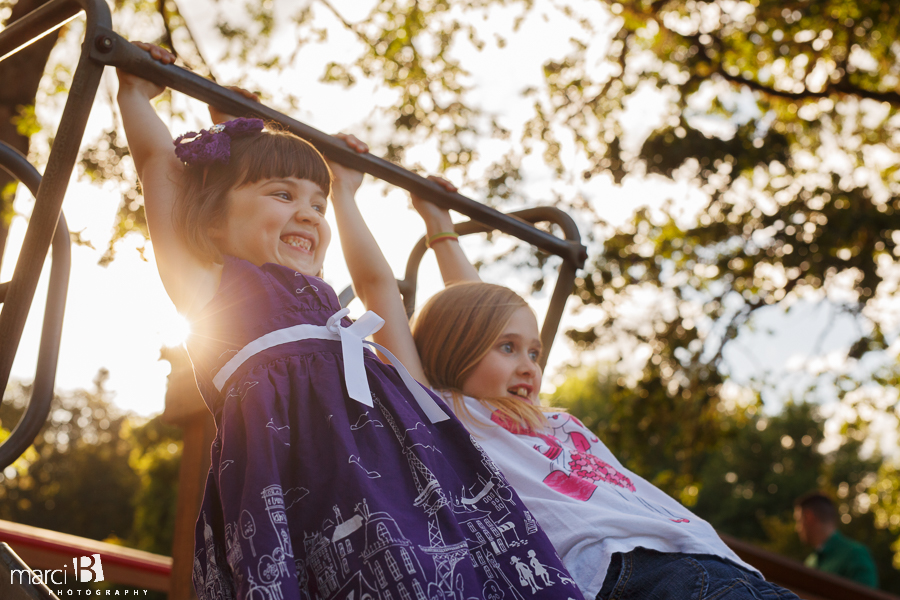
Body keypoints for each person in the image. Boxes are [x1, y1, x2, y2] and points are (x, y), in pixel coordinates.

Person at [116, 43, 583, 600]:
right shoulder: (215, 293)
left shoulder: (335, 315)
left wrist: (344, 188)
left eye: (318, 203)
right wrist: (133, 93)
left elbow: (379, 288)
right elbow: (160, 169)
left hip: (406, 482)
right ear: (213, 221)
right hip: (312, 486)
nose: (309, 212)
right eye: (283, 194)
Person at [404, 179, 803, 600]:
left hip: (709, 556)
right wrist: (344, 185)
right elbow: (405, 295)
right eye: (509, 348)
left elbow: (482, 309)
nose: (529, 366)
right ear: (457, 349)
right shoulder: (451, 417)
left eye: (535, 353)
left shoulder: (540, 416)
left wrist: (439, 225)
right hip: (637, 572)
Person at [794, 491, 878, 587]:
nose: (797, 529)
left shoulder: (856, 555)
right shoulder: (810, 562)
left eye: (798, 521)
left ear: (809, 517)